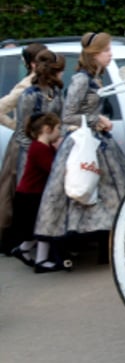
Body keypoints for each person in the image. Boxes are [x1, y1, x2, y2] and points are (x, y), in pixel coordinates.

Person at [35, 33, 125, 258]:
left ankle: (112, 247)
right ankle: (102, 248)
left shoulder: (94, 77)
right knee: (89, 192)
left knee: (111, 193)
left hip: (98, 142)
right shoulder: (81, 79)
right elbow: (68, 114)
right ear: (93, 55)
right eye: (106, 50)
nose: (110, 54)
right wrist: (97, 120)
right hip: (84, 142)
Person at [0, 47, 62, 247]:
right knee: (20, 194)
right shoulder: (27, 89)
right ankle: (17, 241)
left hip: (43, 144)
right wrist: (18, 127)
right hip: (26, 146)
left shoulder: (54, 90)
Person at [9, 112, 62, 272]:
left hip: (31, 193)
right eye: (58, 128)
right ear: (47, 129)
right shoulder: (39, 149)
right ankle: (41, 261)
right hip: (30, 195)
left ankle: (23, 250)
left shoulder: (42, 147)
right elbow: (53, 169)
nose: (60, 132)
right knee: (42, 228)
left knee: (38, 228)